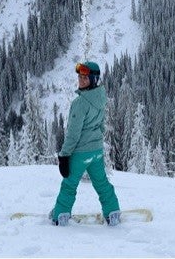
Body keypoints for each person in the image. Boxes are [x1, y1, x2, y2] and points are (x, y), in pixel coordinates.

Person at [49, 61, 121, 226]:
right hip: (96, 152)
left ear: (93, 79)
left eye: (85, 78)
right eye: (80, 77)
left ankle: (60, 215)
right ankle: (113, 213)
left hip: (80, 153)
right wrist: (95, 140)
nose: (81, 80)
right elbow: (101, 125)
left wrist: (64, 155)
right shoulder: (100, 97)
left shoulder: (80, 103)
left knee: (69, 185)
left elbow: (73, 134)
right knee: (102, 183)